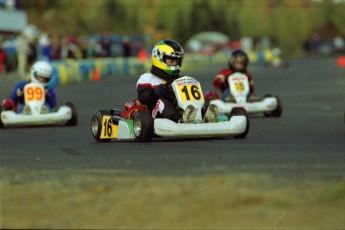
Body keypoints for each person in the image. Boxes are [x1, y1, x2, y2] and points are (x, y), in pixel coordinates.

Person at [136, 39, 219, 123]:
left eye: (177, 61)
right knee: (161, 102)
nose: (175, 64)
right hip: (155, 115)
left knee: (202, 100)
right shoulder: (147, 78)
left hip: (181, 108)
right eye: (171, 61)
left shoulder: (179, 79)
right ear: (159, 59)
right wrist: (155, 93)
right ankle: (181, 121)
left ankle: (205, 117)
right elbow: (143, 99)